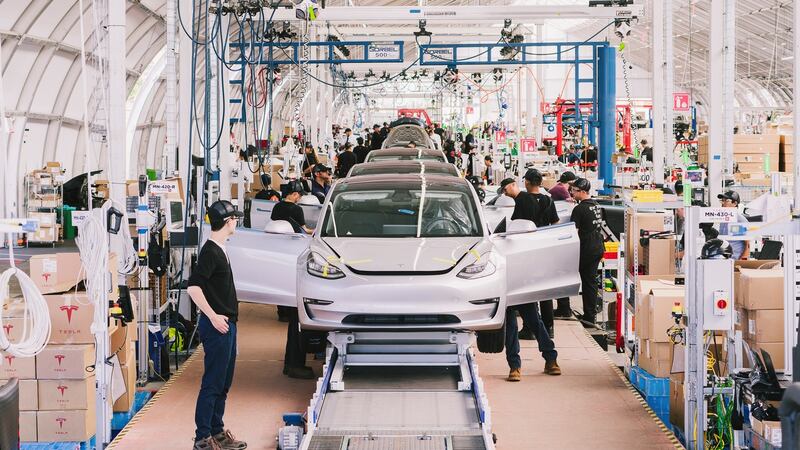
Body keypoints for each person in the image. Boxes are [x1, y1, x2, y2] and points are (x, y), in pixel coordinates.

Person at [188, 200, 248, 450]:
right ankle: (202, 439)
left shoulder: (220, 249)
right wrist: (212, 316)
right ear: (227, 221)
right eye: (234, 218)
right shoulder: (210, 251)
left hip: (228, 325)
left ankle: (217, 432)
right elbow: (193, 287)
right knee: (213, 382)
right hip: (217, 326)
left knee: (223, 383)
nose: (236, 221)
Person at [497, 178, 561, 380]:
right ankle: (527, 364)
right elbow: (556, 224)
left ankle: (539, 361)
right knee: (524, 323)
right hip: (517, 277)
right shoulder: (547, 201)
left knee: (523, 323)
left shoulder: (521, 206)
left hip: (517, 278)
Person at [519, 169, 560, 339]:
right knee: (545, 290)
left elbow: (517, 224)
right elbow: (556, 222)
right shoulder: (548, 200)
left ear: (527, 182)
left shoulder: (522, 200)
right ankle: (549, 327)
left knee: (528, 289)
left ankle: (530, 328)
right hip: (545, 248)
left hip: (528, 249)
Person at [569, 178, 606, 326]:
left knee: (588, 283)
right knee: (590, 282)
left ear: (583, 192)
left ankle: (589, 317)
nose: (572, 193)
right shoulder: (596, 205)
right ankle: (590, 314)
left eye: (574, 191)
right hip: (597, 247)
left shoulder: (579, 209)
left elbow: (574, 232)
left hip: (586, 250)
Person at [718, 191, 750, 260]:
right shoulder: (724, 219)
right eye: (722, 201)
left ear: (735, 203)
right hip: (725, 259)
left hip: (735, 260)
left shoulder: (739, 220)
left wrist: (742, 261)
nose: (723, 203)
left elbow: (747, 244)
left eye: (726, 201)